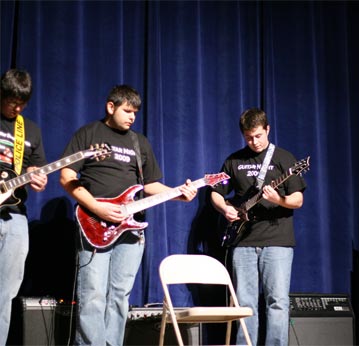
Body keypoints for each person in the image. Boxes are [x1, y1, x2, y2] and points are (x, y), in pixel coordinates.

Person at [59, 84, 198, 346]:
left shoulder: (139, 142)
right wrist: (96, 207)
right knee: (93, 294)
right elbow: (66, 177)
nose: (132, 116)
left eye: (135, 112)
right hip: (94, 224)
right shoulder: (89, 133)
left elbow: (150, 185)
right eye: (127, 110)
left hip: (130, 230)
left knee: (120, 295)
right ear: (110, 107)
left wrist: (178, 193)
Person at [210, 108, 307, 346]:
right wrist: (225, 209)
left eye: (258, 136)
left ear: (267, 130)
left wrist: (278, 200)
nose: (254, 142)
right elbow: (215, 193)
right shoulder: (234, 160)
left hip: (277, 242)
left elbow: (298, 200)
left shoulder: (285, 159)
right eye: (248, 137)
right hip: (242, 242)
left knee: (277, 302)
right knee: (244, 304)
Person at [0, 69, 48, 344]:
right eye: (11, 102)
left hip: (15, 215)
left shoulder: (29, 129)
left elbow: (36, 169)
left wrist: (37, 177)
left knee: (6, 293)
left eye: (22, 103)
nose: (17, 108)